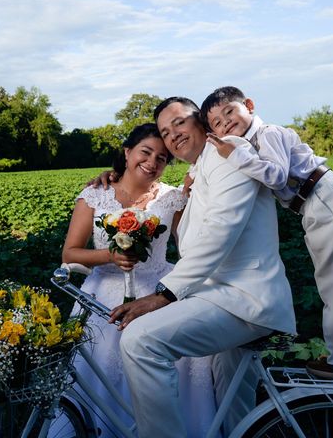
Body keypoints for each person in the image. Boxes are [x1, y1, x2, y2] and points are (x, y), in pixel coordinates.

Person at [110, 97, 296, 438]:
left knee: (140, 341)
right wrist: (112, 180)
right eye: (166, 132)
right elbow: (188, 235)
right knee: (232, 406)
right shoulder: (198, 172)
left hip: (245, 298)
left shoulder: (229, 152)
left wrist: (164, 295)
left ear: (201, 122)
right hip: (221, 296)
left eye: (179, 122)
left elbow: (220, 232)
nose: (173, 134)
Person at [199, 85, 333, 379]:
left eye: (229, 111)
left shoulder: (267, 133)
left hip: (321, 195)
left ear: (249, 105)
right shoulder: (254, 141)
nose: (226, 123)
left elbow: (276, 175)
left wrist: (234, 156)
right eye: (217, 123)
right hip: (321, 199)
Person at [61, 123, 218, 438]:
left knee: (167, 370)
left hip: (160, 292)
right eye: (145, 152)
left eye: (161, 158)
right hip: (103, 294)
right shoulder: (95, 194)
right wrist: (110, 256)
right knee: (103, 372)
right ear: (127, 151)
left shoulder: (172, 199)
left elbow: (190, 243)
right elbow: (70, 254)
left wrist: (196, 192)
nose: (152, 162)